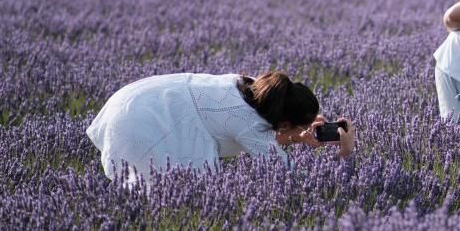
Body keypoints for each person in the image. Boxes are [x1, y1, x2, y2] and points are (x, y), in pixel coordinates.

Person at [86, 71, 355, 188]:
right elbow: (295, 179)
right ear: (284, 122)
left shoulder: (251, 87)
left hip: (137, 98)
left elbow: (258, 135)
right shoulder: (248, 123)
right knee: (175, 193)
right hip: (148, 121)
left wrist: (296, 134)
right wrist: (346, 151)